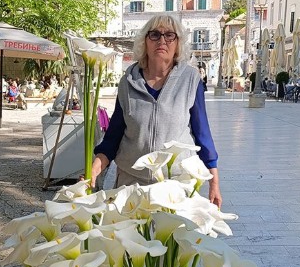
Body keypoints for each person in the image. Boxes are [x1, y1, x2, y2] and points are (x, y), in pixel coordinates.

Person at [90, 15, 222, 207]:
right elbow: (114, 135)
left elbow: (202, 133)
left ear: (178, 44)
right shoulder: (128, 82)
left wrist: (214, 182)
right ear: (145, 42)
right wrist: (95, 167)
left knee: (171, 238)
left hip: (175, 184)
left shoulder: (190, 79)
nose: (162, 40)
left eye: (169, 35)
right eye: (155, 35)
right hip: (131, 183)